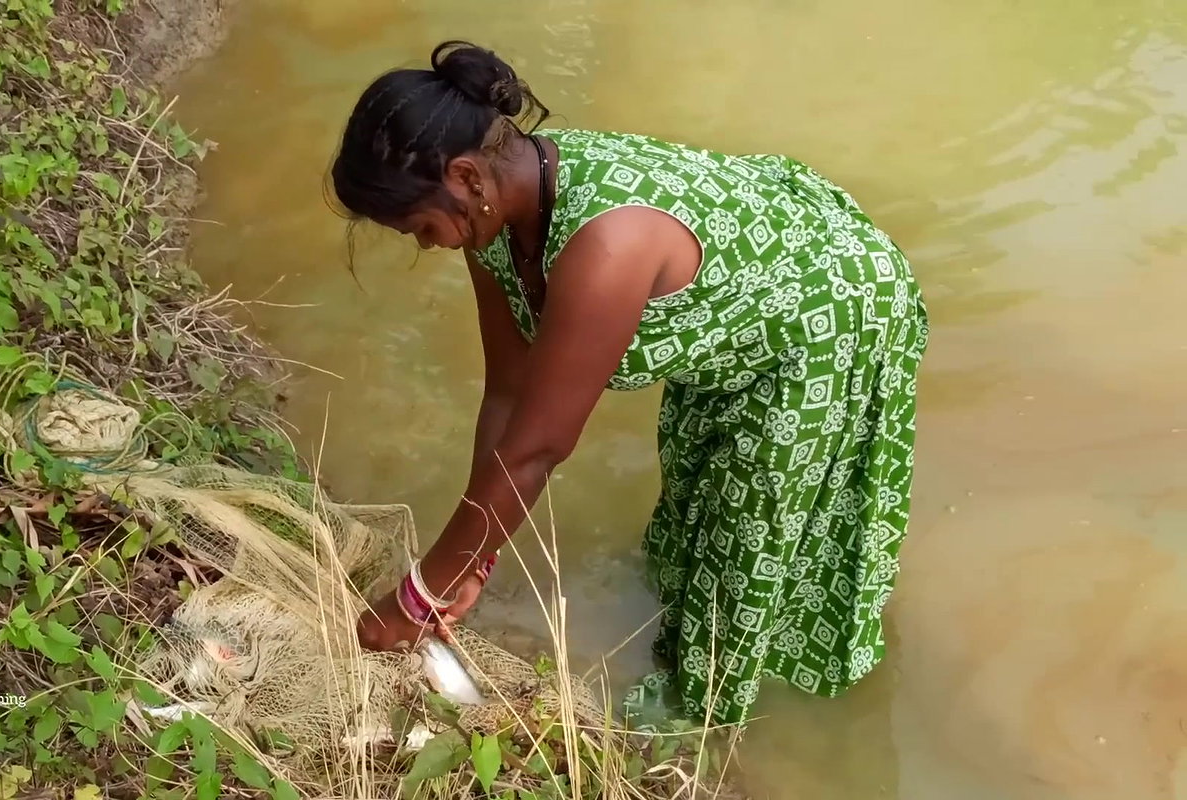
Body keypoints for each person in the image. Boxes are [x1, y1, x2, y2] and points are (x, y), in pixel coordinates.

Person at [328, 40, 929, 728]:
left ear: (464, 177)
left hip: (830, 312)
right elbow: (507, 399)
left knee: (750, 534)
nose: (426, 244)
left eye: (417, 226)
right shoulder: (493, 214)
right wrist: (473, 562)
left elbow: (540, 448)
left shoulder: (606, 245)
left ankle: (712, 722)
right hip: (743, 310)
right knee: (699, 498)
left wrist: (415, 598)